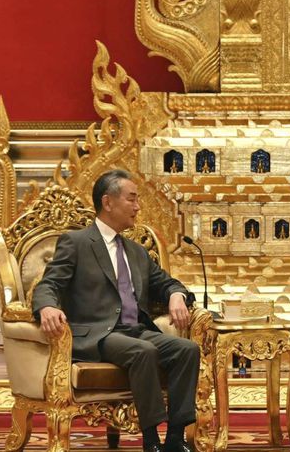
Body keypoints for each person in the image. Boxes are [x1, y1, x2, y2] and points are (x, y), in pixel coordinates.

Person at [33, 169, 199, 452]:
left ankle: (175, 437)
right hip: (97, 333)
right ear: (108, 202)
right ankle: (150, 440)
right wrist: (47, 305)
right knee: (142, 352)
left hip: (136, 330)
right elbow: (48, 285)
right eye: (131, 199)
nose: (137, 207)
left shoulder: (137, 252)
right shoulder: (77, 243)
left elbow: (167, 283)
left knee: (187, 350)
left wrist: (176, 295)